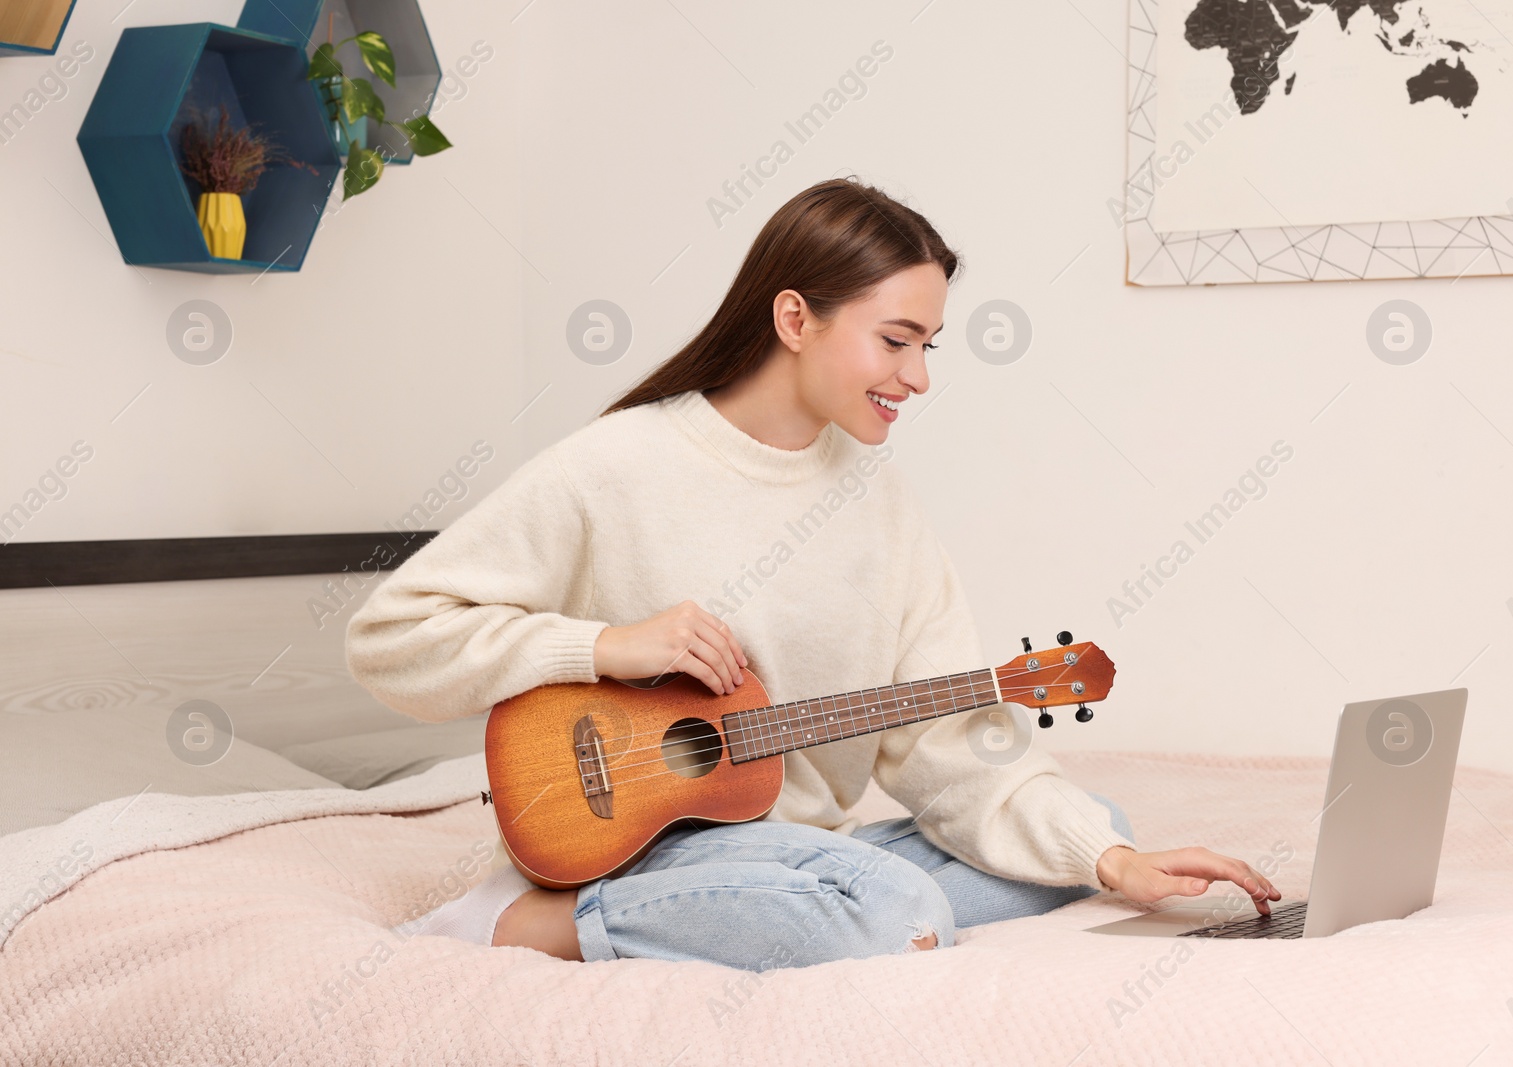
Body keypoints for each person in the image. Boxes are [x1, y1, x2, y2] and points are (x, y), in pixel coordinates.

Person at [345, 176, 1279, 971]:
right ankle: (531, 922)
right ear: (794, 316)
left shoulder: (882, 508)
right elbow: (390, 638)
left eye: (928, 346)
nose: (917, 377)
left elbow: (947, 747)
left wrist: (1111, 858)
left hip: (792, 850)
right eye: (896, 339)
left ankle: (799, 911)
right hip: (646, 845)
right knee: (894, 910)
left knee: (1086, 825)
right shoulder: (618, 465)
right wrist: (603, 646)